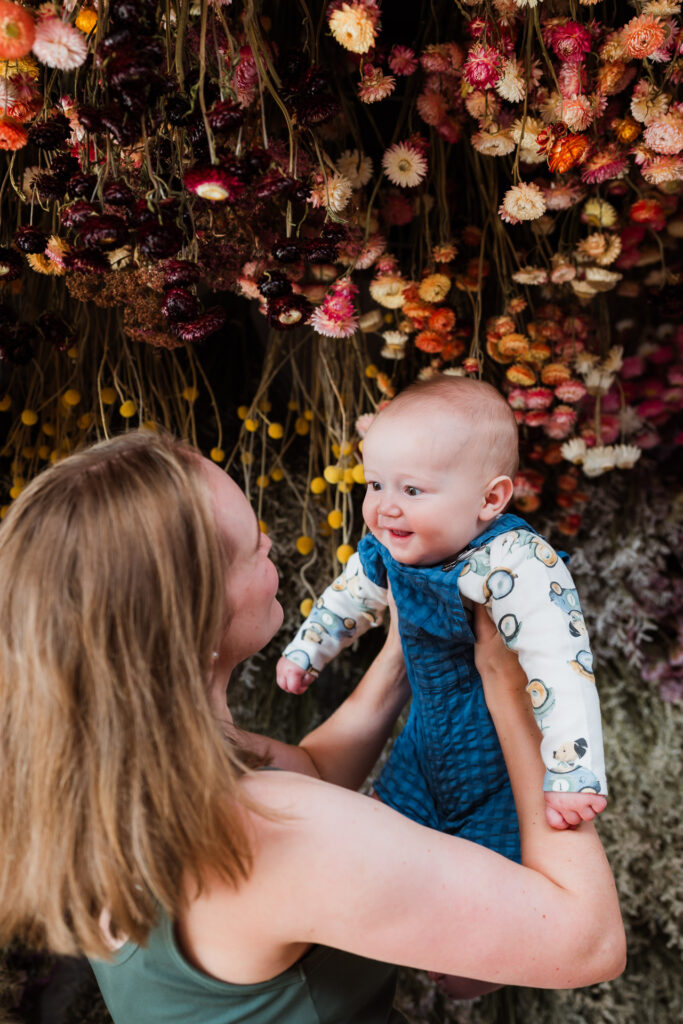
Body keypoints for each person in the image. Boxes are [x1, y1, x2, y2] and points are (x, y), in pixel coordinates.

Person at [0, 430, 625, 1024]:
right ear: (196, 616)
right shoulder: (276, 838)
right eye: (256, 550)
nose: (272, 544)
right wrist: (513, 689)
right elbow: (587, 941)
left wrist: (408, 645)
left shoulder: (112, 769)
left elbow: (316, 770)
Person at [278, 375, 607, 865]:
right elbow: (351, 595)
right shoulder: (389, 546)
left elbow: (560, 664)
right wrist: (309, 648)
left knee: (495, 880)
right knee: (384, 854)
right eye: (375, 484)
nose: (386, 505)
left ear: (490, 500)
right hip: (422, 751)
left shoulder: (514, 563)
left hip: (499, 768)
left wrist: (574, 773)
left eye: (412, 489)